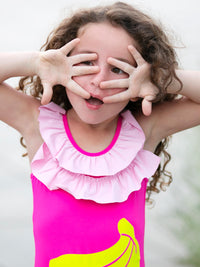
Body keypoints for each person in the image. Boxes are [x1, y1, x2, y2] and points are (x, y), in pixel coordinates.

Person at [0, 1, 200, 266]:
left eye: (118, 69)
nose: (99, 80)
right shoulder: (39, 125)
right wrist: (36, 62)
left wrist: (162, 80)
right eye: (86, 63)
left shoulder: (143, 130)